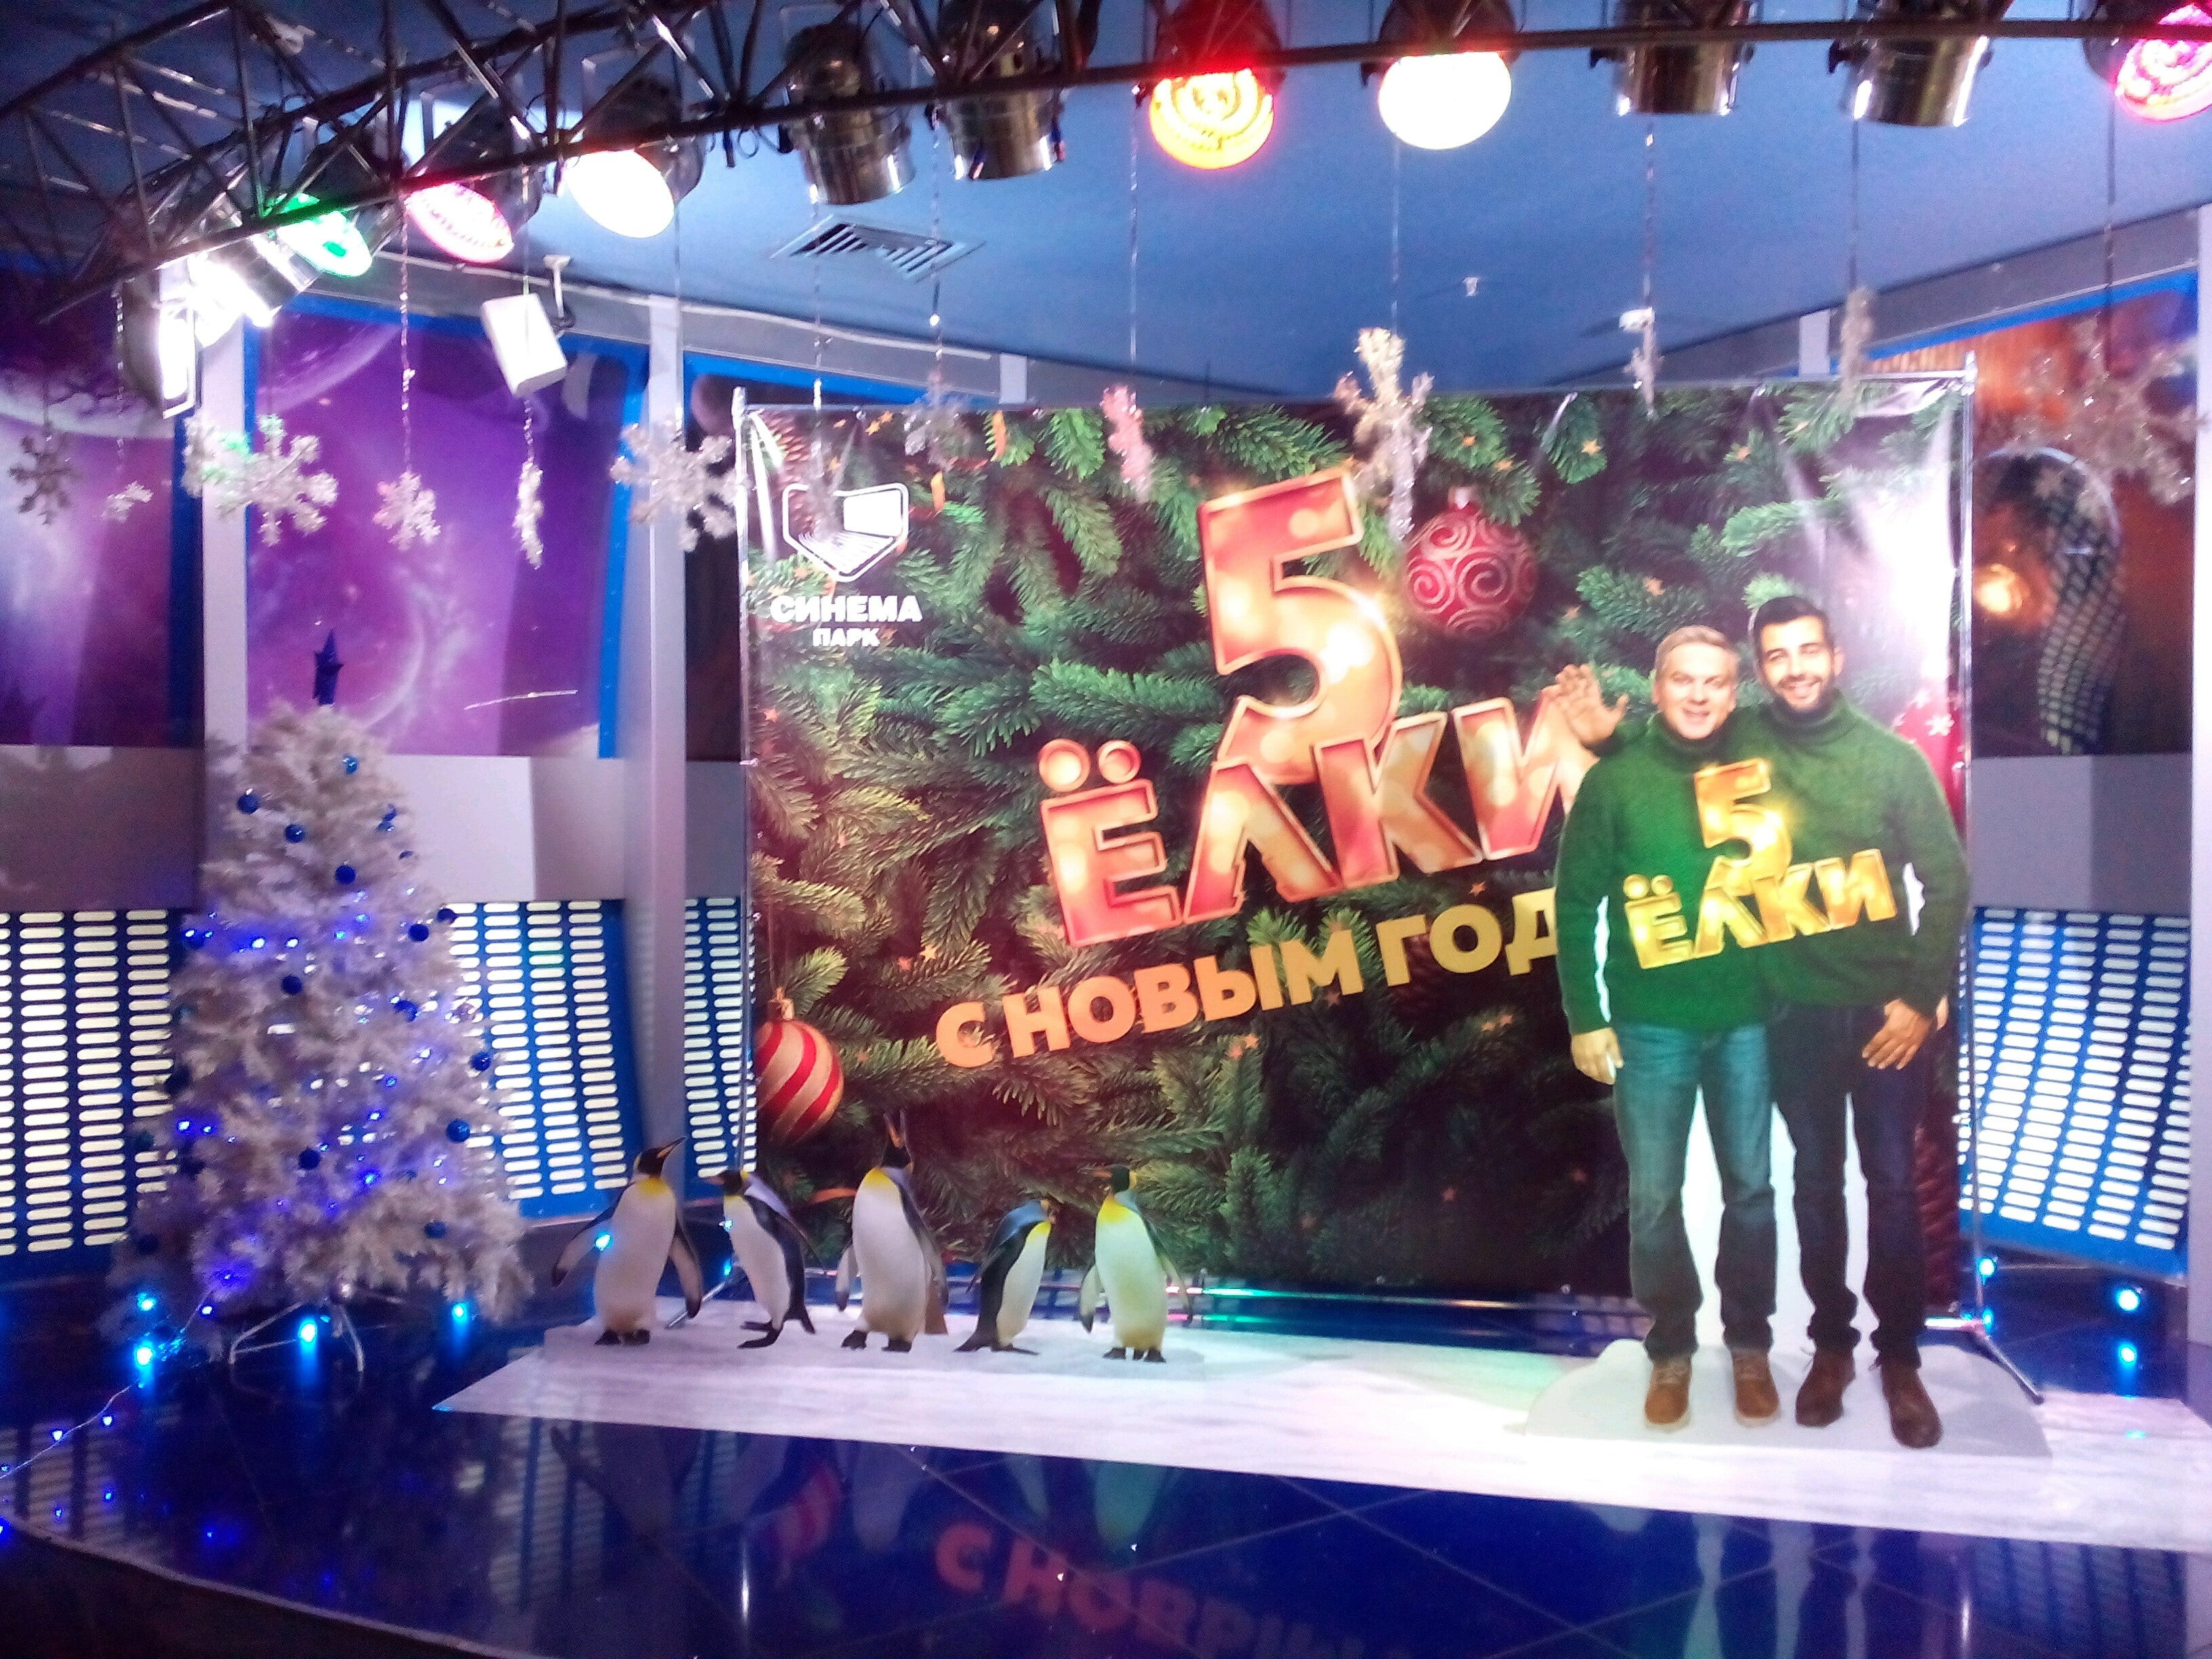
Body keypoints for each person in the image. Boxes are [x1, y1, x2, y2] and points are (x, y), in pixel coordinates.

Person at [1556, 596, 1969, 1450]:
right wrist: (1606, 740)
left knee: (1883, 1186)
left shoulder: (1880, 758)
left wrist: (1922, 992)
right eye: (1778, 656)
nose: (1795, 669)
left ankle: (1892, 1359)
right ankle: (1802, 1349)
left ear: (1836, 657)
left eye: (1808, 651)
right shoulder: (1738, 740)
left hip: (1847, 1014)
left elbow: (1948, 879)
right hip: (1771, 1014)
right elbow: (1666, 758)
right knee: (1791, 1187)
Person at [1553, 626, 1778, 1433]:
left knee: (1751, 1191)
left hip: (1749, 1021)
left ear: (1733, 693)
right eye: (1683, 679)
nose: (1698, 694)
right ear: (1657, 688)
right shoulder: (1615, 784)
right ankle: (1672, 1347)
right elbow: (1575, 905)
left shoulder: (1757, 769)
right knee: (1655, 1197)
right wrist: (1586, 1018)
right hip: (1650, 1026)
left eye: (1715, 681)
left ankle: (1749, 1344)